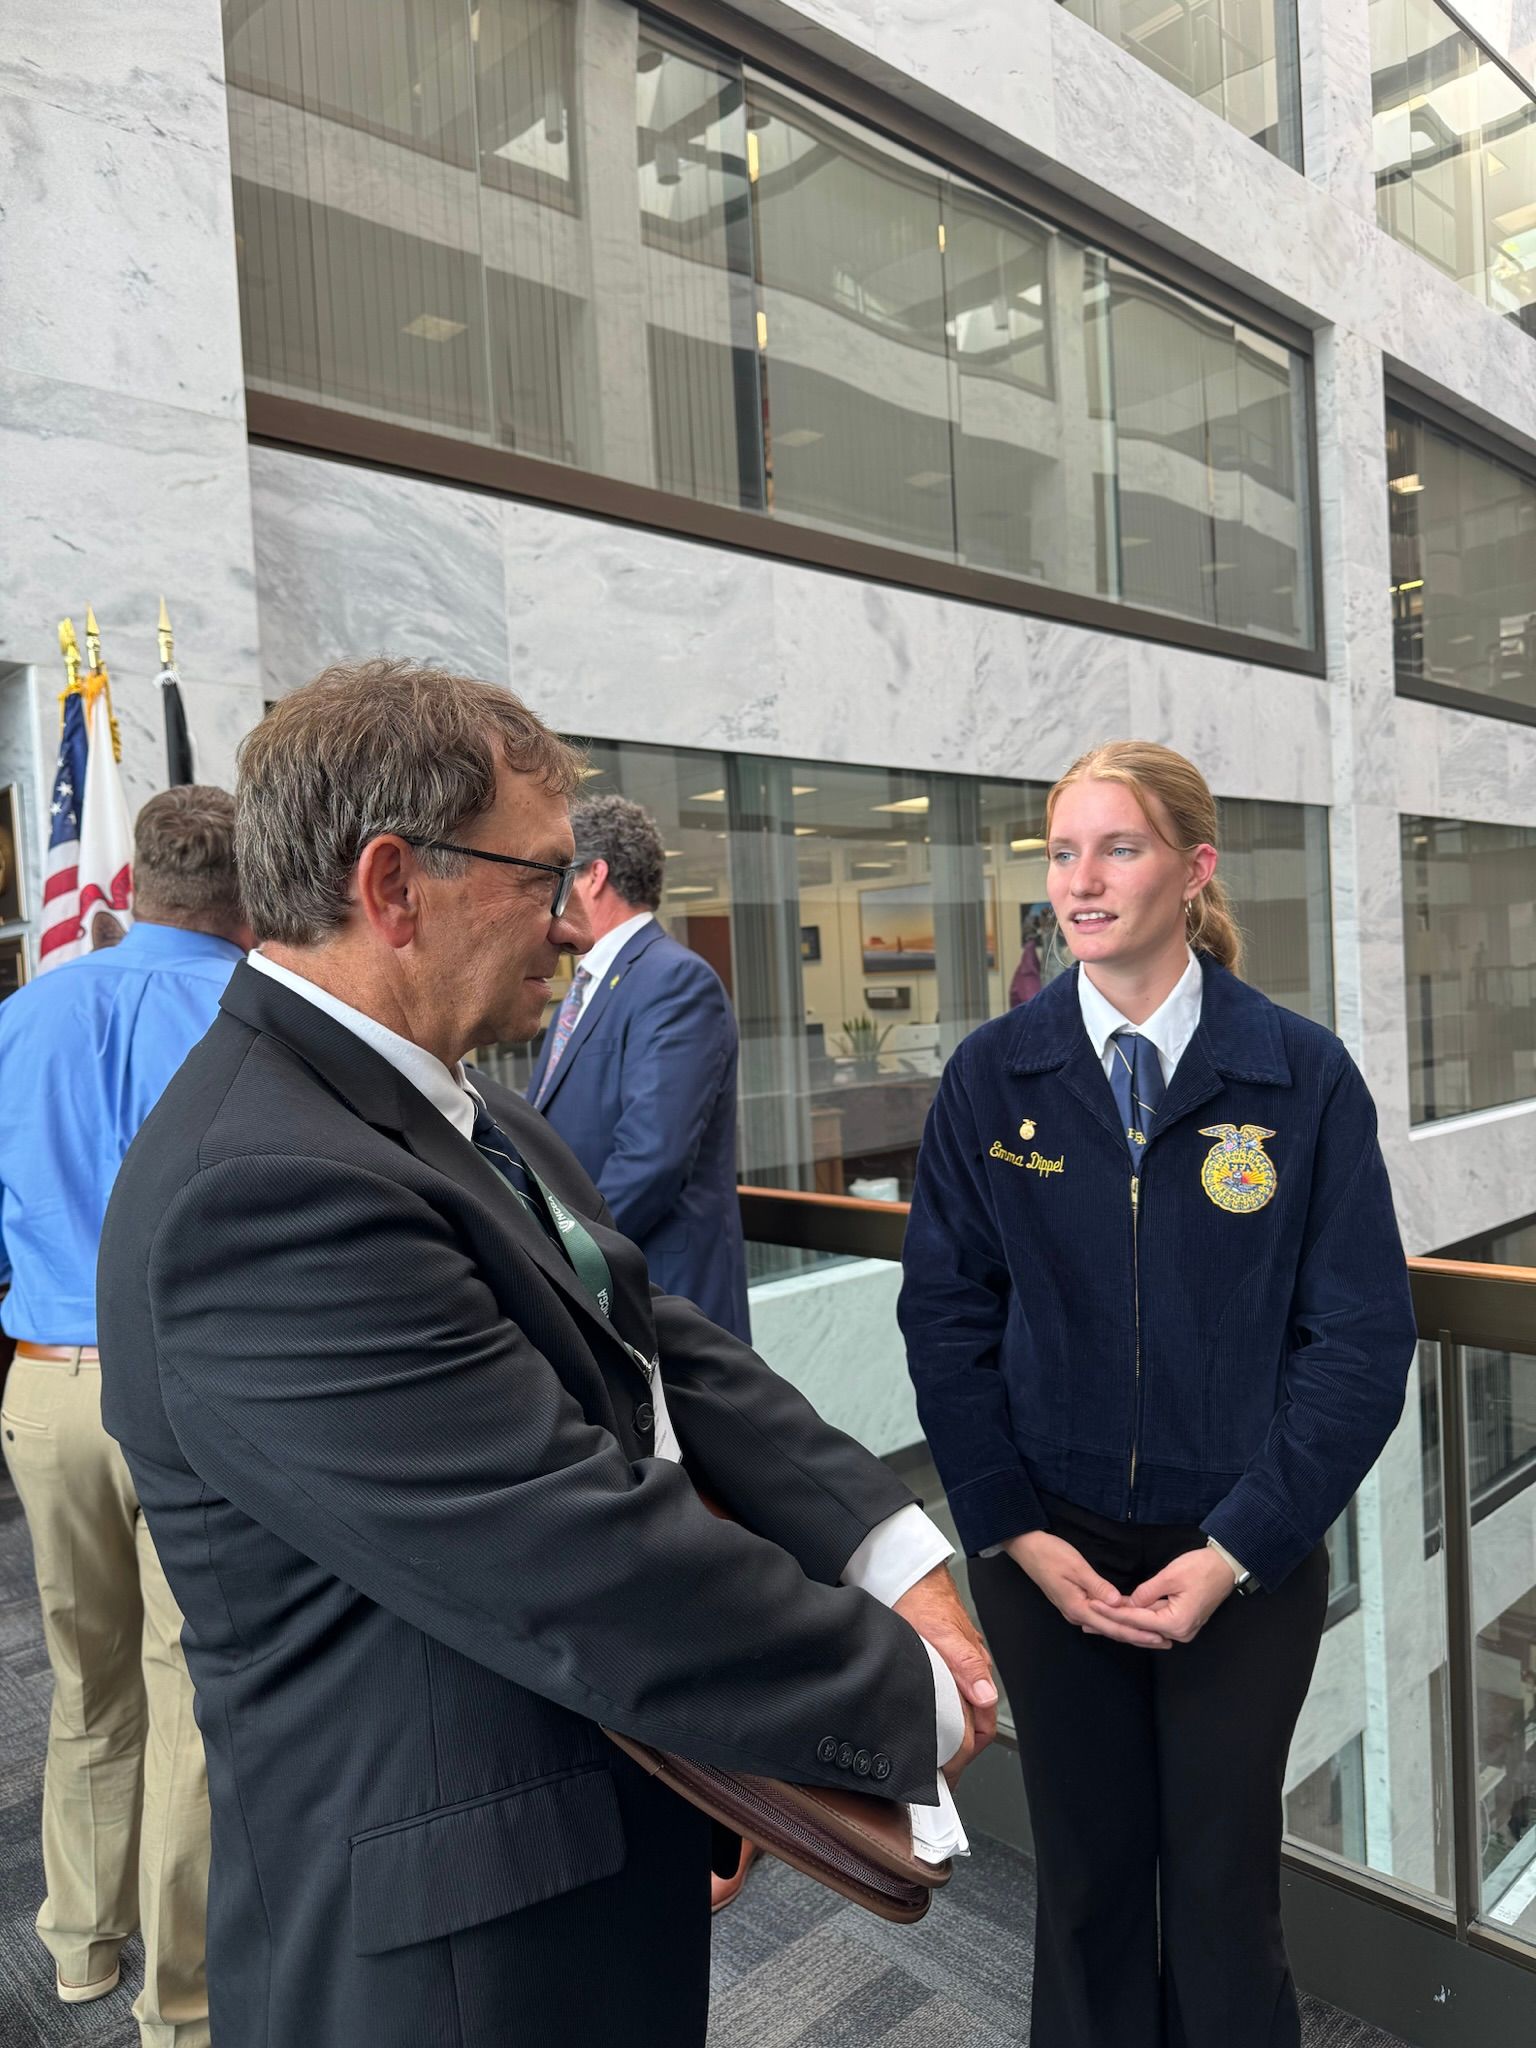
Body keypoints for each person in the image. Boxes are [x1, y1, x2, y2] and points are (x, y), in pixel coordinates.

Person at [96, 660, 997, 2048]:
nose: (571, 924)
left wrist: (890, 1548)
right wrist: (909, 1692)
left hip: (581, 1839)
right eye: (541, 875)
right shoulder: (259, 1189)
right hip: (454, 1966)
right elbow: (573, 1551)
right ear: (394, 884)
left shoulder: (463, 1115)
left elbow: (655, 1343)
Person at [898, 740, 1417, 2048]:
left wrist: (1241, 1544)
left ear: (1194, 870)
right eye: (1062, 851)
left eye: (1116, 847)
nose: (1081, 880)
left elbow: (1361, 1340)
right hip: (1047, 1546)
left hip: (1240, 1554)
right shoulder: (993, 1078)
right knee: (1084, 1885)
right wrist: (1012, 1526)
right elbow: (948, 1317)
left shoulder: (1300, 1080)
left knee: (1225, 1890)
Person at [0, 784, 251, 2047]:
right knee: (187, 1683)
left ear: (129, 883)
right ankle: (182, 1998)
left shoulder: (19, 1015)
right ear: (248, 889)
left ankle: (77, 1944)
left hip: (43, 1387)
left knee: (82, 1672)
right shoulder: (254, 1021)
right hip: (192, 1389)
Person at [527, 793, 749, 1343]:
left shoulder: (674, 981)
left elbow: (653, 1158)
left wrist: (566, 1257)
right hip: (609, 1289)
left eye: (558, 874)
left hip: (659, 1293)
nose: (548, 895)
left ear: (595, 875)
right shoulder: (587, 983)